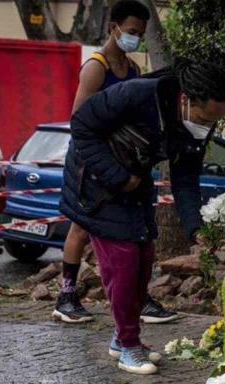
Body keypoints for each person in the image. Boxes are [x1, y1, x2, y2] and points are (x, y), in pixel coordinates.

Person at [59, 58, 225, 374]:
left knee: (143, 257)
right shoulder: (137, 94)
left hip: (133, 179)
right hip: (95, 180)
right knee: (122, 261)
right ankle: (127, 345)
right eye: (204, 117)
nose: (207, 127)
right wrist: (116, 177)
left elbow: (186, 178)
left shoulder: (198, 122)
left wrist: (196, 229)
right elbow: (81, 125)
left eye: (214, 121)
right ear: (185, 98)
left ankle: (122, 338)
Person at [53, 0, 176, 325]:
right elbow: (79, 120)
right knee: (82, 224)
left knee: (135, 226)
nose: (134, 37)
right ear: (114, 28)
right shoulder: (96, 67)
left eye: (139, 33)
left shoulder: (133, 70)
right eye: (131, 31)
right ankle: (66, 295)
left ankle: (140, 297)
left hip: (124, 162)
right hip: (91, 161)